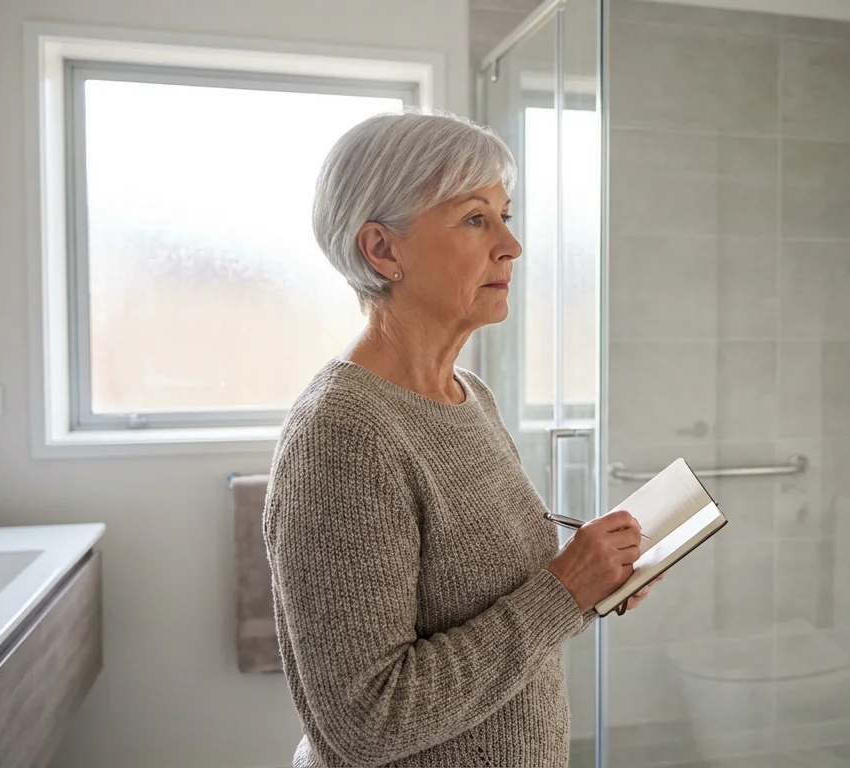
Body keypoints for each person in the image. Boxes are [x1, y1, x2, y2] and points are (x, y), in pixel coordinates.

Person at [264, 109, 658, 768]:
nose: (511, 245)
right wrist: (563, 591)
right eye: (476, 219)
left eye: (507, 216)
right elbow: (368, 720)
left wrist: (593, 585)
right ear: (383, 250)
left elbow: (493, 607)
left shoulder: (470, 395)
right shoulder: (343, 436)